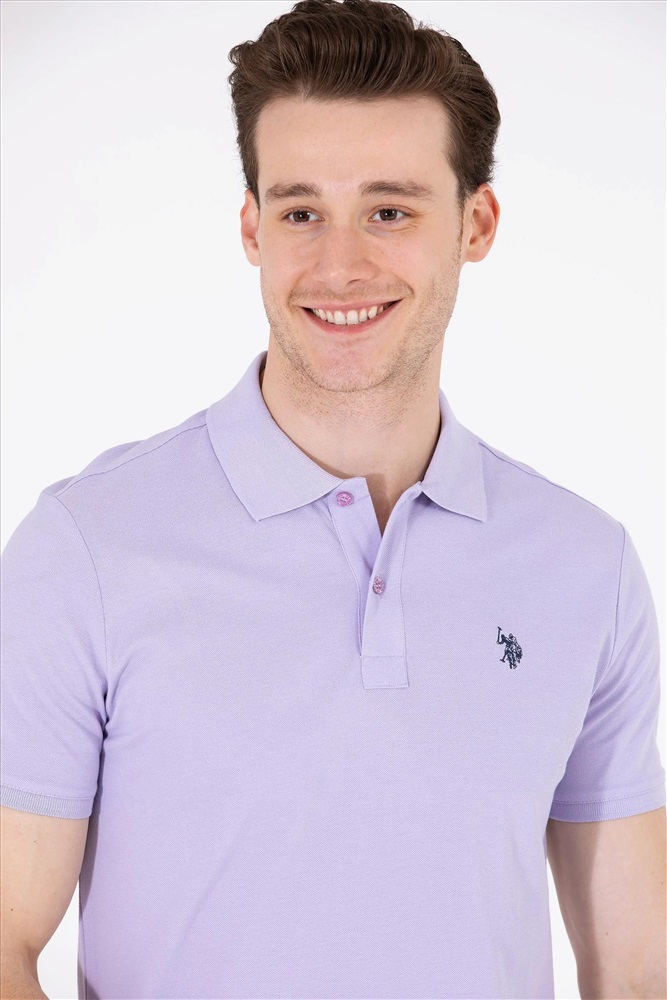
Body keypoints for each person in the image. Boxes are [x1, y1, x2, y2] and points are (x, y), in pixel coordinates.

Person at [1, 0, 665, 997]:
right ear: (251, 227)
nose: (338, 266)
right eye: (300, 211)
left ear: (475, 224)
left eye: (389, 210)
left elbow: (636, 968)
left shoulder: (585, 566)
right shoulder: (87, 548)